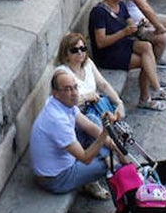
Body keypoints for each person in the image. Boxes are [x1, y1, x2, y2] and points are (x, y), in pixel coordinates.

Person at [29, 69, 116, 199]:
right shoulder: (57, 120)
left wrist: (114, 146)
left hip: (62, 160)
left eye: (75, 87)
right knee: (111, 164)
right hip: (56, 179)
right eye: (68, 89)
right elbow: (85, 158)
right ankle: (106, 169)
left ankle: (106, 159)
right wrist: (105, 133)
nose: (75, 93)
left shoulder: (60, 102)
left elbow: (90, 126)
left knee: (92, 119)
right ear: (56, 93)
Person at [88, 0, 166, 112]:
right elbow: (101, 42)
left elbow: (128, 21)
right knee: (146, 60)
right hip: (109, 53)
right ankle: (149, 96)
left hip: (122, 44)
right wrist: (124, 32)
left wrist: (135, 27)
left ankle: (155, 90)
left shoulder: (120, 5)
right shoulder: (99, 12)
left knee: (147, 47)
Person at [54, 32, 125, 133]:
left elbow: (103, 85)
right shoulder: (62, 73)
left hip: (95, 109)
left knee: (106, 111)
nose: (80, 53)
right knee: (96, 122)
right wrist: (87, 97)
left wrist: (119, 102)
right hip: (78, 117)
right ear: (65, 54)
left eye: (83, 49)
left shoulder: (87, 63)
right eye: (75, 50)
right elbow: (64, 102)